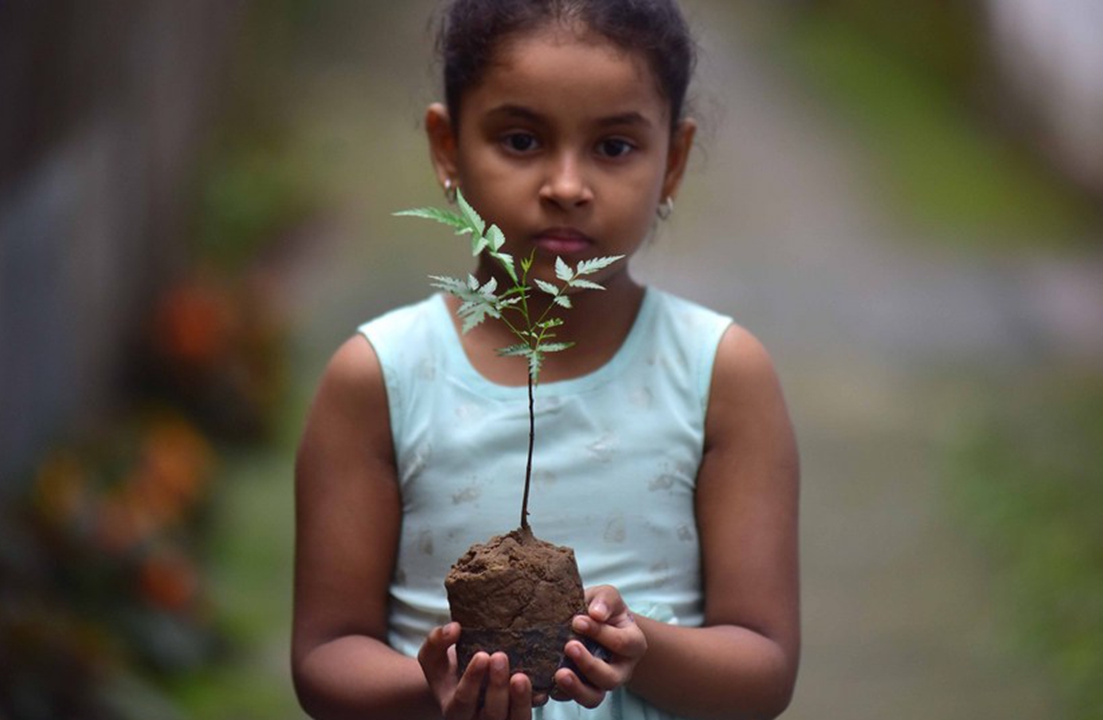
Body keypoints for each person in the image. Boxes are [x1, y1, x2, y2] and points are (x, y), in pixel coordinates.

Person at [291, 1, 800, 718]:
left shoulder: (721, 375)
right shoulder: (380, 377)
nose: (567, 185)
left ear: (674, 161)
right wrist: (432, 685)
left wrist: (642, 649)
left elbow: (764, 666)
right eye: (522, 139)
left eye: (614, 146)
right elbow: (325, 655)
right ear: (447, 147)